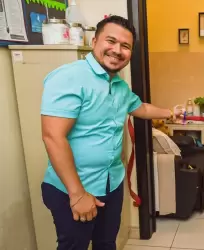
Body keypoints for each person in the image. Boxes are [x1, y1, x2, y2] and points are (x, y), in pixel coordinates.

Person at [40, 15, 178, 250]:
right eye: (110, 41)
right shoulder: (69, 77)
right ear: (94, 41)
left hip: (111, 184)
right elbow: (53, 136)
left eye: (125, 46)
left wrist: (170, 112)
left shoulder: (120, 86)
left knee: (106, 244)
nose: (117, 50)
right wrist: (78, 194)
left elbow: (140, 107)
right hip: (75, 188)